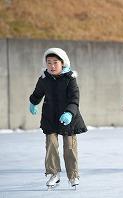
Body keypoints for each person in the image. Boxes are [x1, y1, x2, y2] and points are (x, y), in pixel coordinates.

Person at [29, 48, 87, 189]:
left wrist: (69, 113)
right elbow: (37, 93)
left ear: (63, 63)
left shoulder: (70, 78)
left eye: (55, 62)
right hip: (50, 116)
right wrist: (33, 102)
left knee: (69, 147)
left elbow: (75, 99)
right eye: (49, 63)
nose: (52, 66)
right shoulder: (44, 79)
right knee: (51, 145)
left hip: (69, 118)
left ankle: (73, 176)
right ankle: (53, 174)